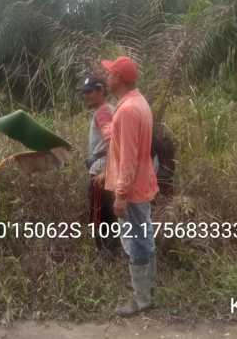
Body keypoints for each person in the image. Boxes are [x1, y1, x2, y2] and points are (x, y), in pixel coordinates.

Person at [101, 56, 158, 316]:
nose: (106, 77)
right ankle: (147, 289)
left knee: (135, 241)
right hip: (143, 184)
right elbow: (125, 140)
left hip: (132, 189)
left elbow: (129, 158)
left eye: (110, 73)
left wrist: (121, 195)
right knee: (144, 237)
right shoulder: (138, 102)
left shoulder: (127, 110)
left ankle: (141, 299)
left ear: (119, 79)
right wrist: (108, 126)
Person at [81, 75, 116, 254]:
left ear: (101, 91)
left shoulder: (103, 111)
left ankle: (105, 254)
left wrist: (106, 170)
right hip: (104, 166)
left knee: (99, 214)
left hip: (102, 169)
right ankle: (112, 251)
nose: (86, 96)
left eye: (89, 92)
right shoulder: (107, 109)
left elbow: (112, 141)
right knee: (108, 213)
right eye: (84, 93)